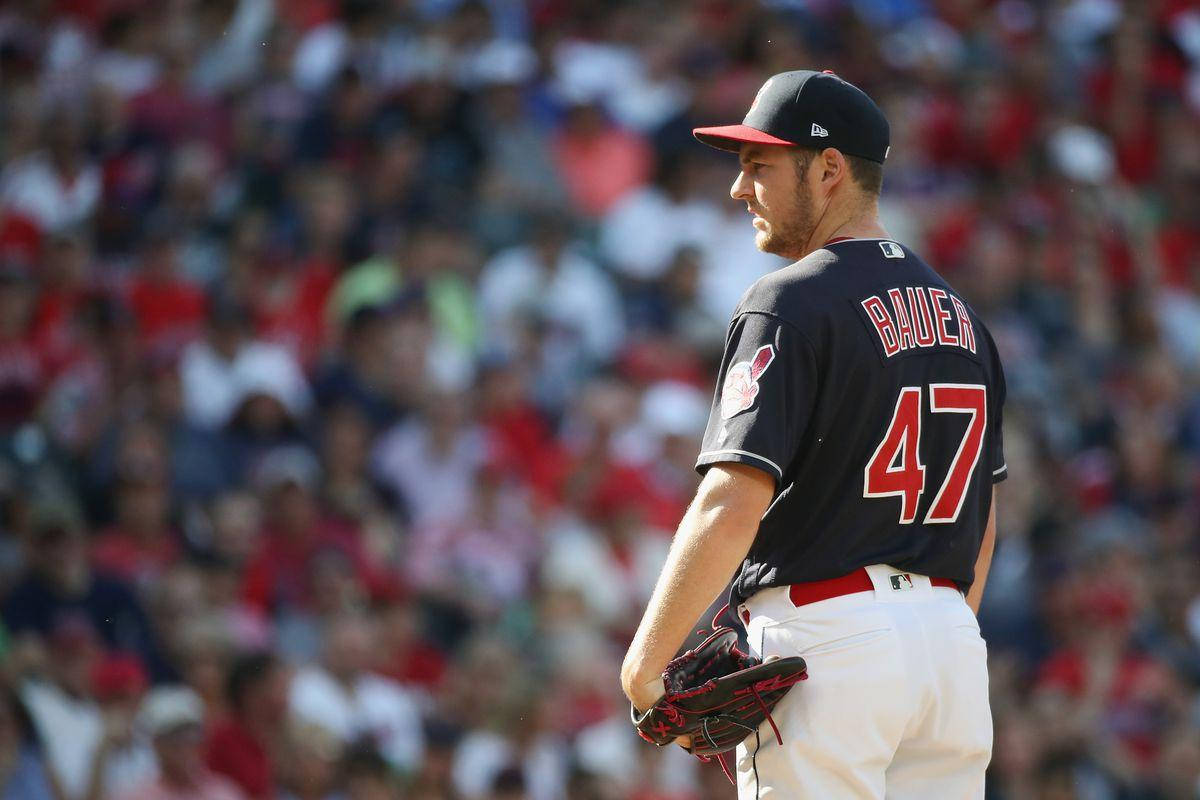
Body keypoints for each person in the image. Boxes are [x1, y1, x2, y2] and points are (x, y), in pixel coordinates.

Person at [620, 69, 1007, 798]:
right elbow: (982, 525)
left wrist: (644, 665)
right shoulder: (965, 319)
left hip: (830, 639)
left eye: (758, 165)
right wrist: (928, 636)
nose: (740, 189)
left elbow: (731, 503)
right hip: (950, 652)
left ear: (829, 169)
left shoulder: (791, 300)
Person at [118, 686, 244, 800]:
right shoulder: (134, 795)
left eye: (191, 735)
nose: (183, 744)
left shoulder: (224, 792)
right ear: (155, 743)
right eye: (173, 736)